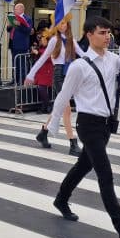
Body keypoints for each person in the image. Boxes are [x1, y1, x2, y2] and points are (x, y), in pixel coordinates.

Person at [46, 16, 120, 238]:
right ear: (89, 35)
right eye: (102, 32)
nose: (107, 37)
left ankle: (61, 199)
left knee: (83, 166)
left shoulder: (112, 59)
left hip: (106, 125)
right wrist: (53, 124)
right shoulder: (80, 66)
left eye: (109, 33)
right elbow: (63, 96)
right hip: (88, 124)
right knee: (105, 174)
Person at [26, 18, 82, 156]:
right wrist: (31, 74)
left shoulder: (71, 40)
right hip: (58, 75)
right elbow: (43, 58)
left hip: (69, 74)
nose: (63, 26)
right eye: (60, 23)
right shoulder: (53, 40)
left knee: (59, 106)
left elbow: (84, 54)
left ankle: (43, 133)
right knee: (66, 108)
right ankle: (73, 143)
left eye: (65, 23)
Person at [7, 2, 33, 84]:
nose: (14, 10)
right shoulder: (14, 18)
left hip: (22, 45)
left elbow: (28, 31)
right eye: (14, 9)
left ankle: (21, 81)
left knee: (22, 64)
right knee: (15, 64)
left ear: (22, 9)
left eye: (16, 9)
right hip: (13, 43)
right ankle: (15, 79)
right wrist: (10, 25)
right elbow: (9, 30)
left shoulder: (27, 18)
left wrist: (19, 25)